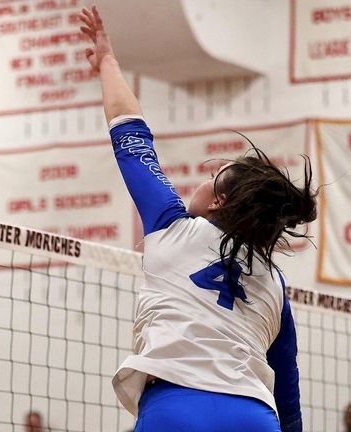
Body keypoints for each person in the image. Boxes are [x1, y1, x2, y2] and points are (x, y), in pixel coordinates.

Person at [79, 5, 314, 432]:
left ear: (218, 204)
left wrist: (108, 63)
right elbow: (289, 394)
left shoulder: (172, 228)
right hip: (254, 417)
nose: (201, 183)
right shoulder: (274, 285)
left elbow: (131, 137)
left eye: (211, 178)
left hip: (176, 408)